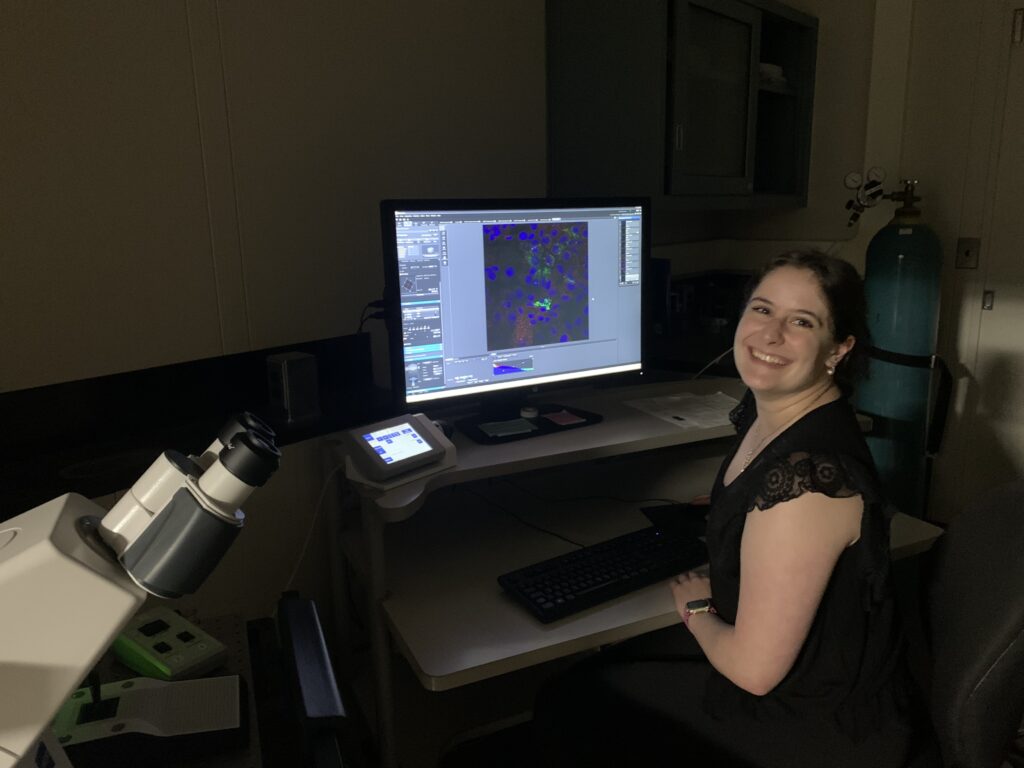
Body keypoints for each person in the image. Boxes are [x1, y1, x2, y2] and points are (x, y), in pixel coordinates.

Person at [531, 251, 927, 767]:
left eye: (801, 322)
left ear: (839, 349)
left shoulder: (805, 483)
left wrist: (697, 610)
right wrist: (737, 517)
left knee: (572, 698)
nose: (770, 334)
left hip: (808, 723)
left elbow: (754, 672)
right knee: (601, 674)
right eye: (762, 310)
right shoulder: (774, 416)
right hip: (806, 670)